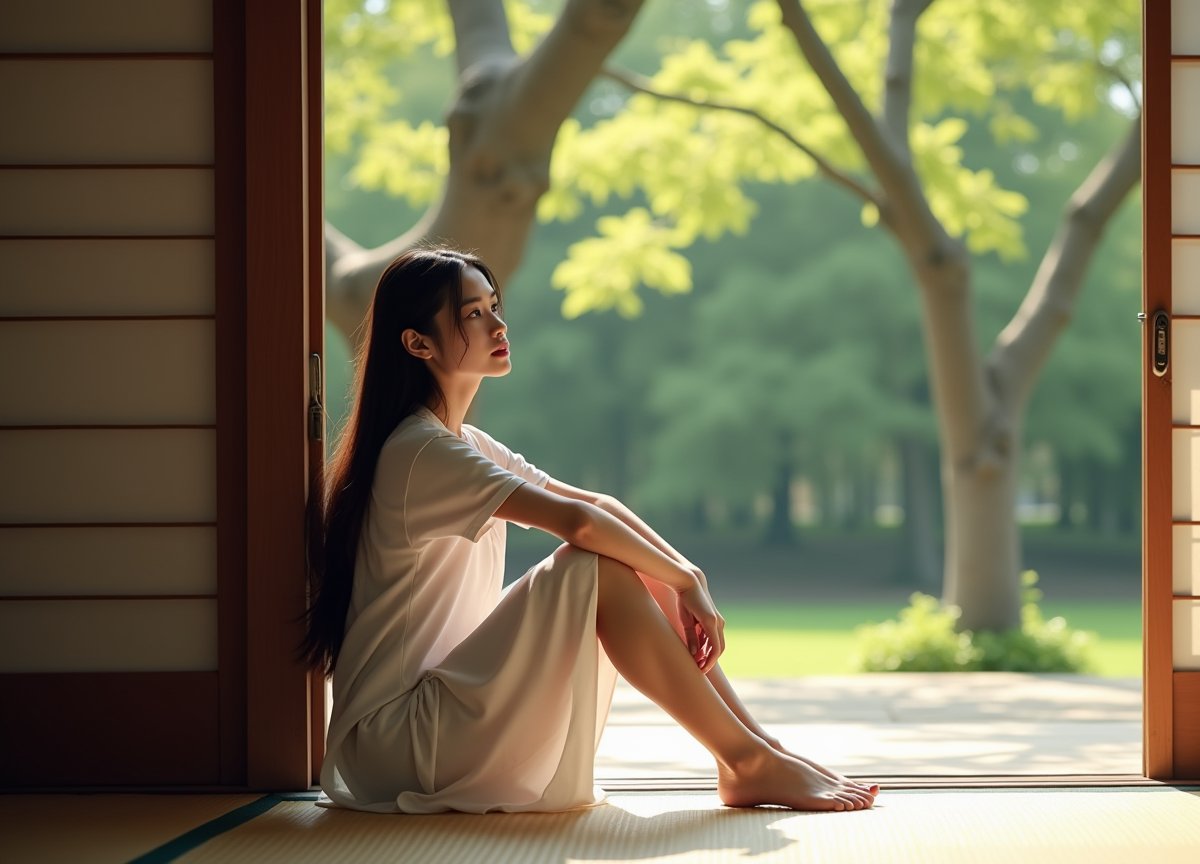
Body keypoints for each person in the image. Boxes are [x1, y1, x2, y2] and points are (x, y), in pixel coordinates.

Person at [301, 247, 877, 814]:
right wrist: (682, 577)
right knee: (594, 565)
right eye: (473, 313)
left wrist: (683, 577)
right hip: (394, 741)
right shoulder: (421, 452)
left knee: (621, 560)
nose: (499, 323)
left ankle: (753, 752)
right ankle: (748, 760)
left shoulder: (463, 444)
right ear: (417, 343)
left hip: (439, 709)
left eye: (494, 305)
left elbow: (596, 503)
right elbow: (577, 524)